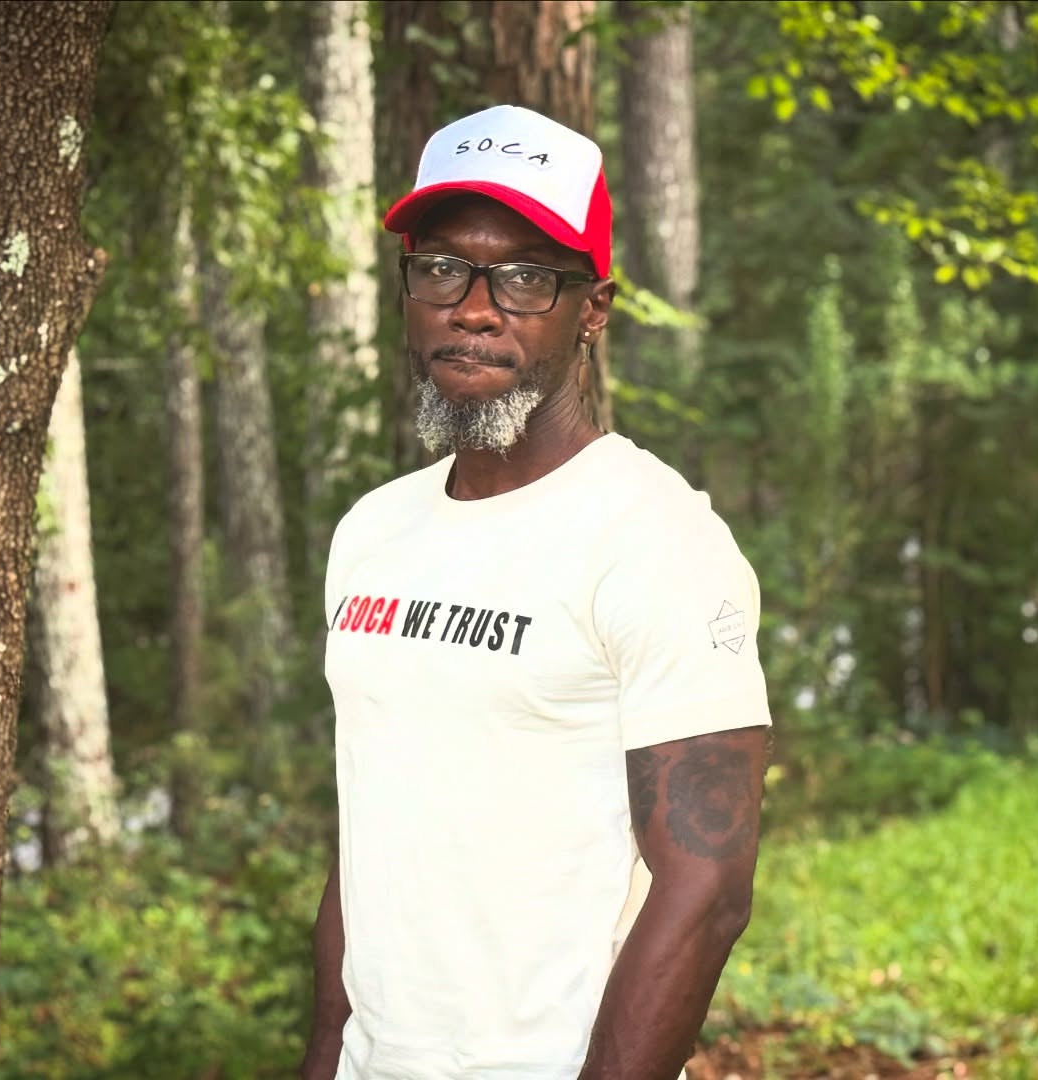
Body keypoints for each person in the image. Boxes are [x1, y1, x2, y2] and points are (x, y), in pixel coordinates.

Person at [301, 104, 770, 1080]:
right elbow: (368, 837)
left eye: (524, 276)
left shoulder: (654, 539)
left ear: (592, 308)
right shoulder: (372, 534)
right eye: (442, 267)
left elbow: (707, 892)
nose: (474, 308)